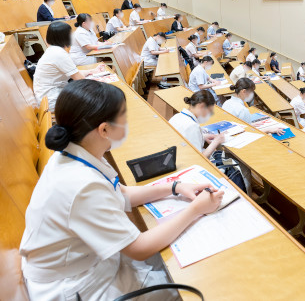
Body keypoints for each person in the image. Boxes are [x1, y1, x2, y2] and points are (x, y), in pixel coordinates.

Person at [20, 79, 223, 300]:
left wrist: (176, 186)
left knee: (171, 255)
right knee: (191, 286)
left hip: (88, 261)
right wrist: (196, 210)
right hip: (75, 286)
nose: (127, 123)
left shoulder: (79, 151)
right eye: (124, 117)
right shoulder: (81, 185)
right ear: (104, 129)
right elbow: (139, 248)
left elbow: (122, 193)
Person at [33, 22, 104, 110]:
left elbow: (75, 73)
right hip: (52, 100)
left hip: (50, 96)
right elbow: (80, 79)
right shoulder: (59, 54)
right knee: (97, 98)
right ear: (64, 37)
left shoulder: (53, 50)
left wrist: (92, 71)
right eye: (71, 34)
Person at [168, 91, 225, 158]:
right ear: (202, 106)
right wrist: (216, 141)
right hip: (187, 160)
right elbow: (200, 158)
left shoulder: (176, 116)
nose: (209, 115)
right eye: (209, 111)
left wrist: (202, 137)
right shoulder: (192, 126)